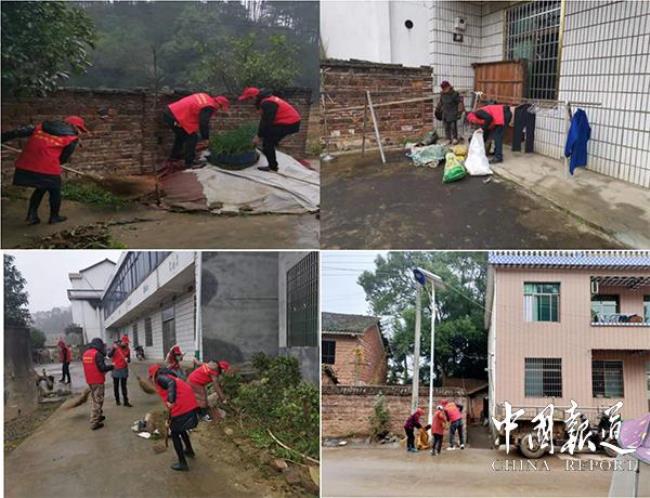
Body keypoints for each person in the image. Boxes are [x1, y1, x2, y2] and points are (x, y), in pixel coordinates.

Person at [1, 115, 88, 225]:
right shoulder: (71, 138)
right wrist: (57, 163)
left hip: (26, 164)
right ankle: (54, 217)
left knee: (41, 187)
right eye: (80, 129)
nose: (79, 132)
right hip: (47, 168)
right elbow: (64, 158)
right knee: (55, 190)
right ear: (75, 127)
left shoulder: (41, 127)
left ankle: (32, 215)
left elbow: (17, 132)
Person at [148, 364, 199, 471]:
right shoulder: (169, 375)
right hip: (189, 402)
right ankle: (189, 450)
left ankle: (182, 463)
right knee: (181, 429)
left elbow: (170, 384)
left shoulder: (160, 378)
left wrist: (171, 400)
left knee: (175, 433)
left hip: (183, 405)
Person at [237, 87, 301, 173]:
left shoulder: (267, 103)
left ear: (253, 97)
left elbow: (267, 122)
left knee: (268, 144)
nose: (248, 102)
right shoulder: (267, 100)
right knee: (268, 141)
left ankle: (273, 167)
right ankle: (272, 148)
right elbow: (265, 121)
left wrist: (258, 136)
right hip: (288, 122)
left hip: (290, 123)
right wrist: (260, 135)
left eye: (248, 99)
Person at [163, 93, 230, 169]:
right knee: (192, 137)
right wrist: (206, 138)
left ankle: (174, 158)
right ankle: (189, 163)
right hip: (175, 116)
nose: (218, 109)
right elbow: (203, 123)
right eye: (220, 107)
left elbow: (195, 111)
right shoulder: (209, 106)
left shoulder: (206, 97)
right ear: (218, 103)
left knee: (181, 137)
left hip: (170, 112)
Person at [82, 338, 114, 430]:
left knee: (95, 398)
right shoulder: (97, 354)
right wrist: (112, 366)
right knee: (98, 400)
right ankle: (95, 421)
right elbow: (102, 368)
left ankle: (99, 415)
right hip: (97, 380)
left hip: (90, 380)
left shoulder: (86, 353)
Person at [107, 335, 132, 407]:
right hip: (116, 369)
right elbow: (109, 355)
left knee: (124, 386)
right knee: (116, 386)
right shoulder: (115, 348)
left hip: (124, 369)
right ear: (122, 342)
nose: (127, 344)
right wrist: (113, 349)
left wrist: (128, 359)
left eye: (127, 343)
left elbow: (129, 359)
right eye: (125, 342)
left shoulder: (128, 349)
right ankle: (117, 400)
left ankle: (126, 401)